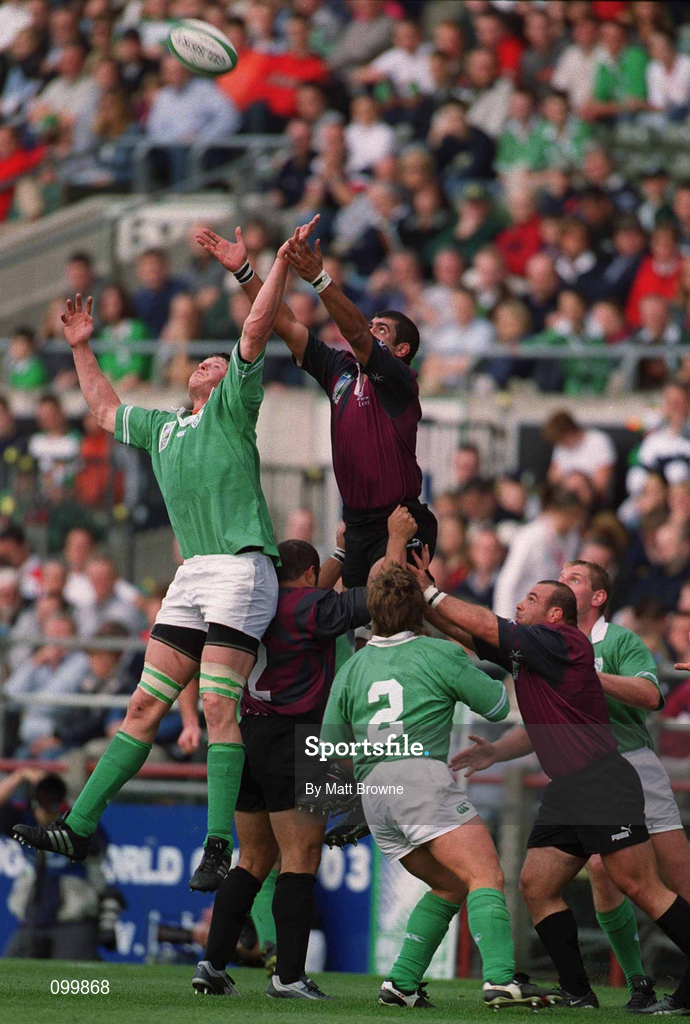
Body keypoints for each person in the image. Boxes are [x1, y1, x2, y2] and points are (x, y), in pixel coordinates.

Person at [13, 228, 301, 894]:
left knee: (222, 711)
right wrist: (82, 347)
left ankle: (219, 845)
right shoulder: (166, 427)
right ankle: (79, 827)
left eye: (221, 362)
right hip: (195, 573)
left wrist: (260, 268)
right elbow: (103, 407)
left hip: (239, 569)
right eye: (208, 362)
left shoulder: (233, 409)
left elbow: (256, 332)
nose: (214, 363)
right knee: (142, 710)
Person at [416, 561, 690, 1013]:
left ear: (556, 616)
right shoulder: (533, 649)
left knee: (637, 883)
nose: (520, 604)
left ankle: (640, 982)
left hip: (606, 780)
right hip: (569, 786)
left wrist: (430, 594)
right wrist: (422, 601)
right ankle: (579, 990)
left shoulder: (561, 641)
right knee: (536, 884)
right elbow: (473, 635)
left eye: (531, 600)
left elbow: (486, 624)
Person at [190, 507, 416, 1001]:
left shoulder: (256, 605)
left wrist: (337, 555)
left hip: (249, 735)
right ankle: (288, 975)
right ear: (311, 577)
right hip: (298, 741)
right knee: (301, 856)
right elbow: (384, 595)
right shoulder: (312, 609)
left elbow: (306, 587)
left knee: (253, 858)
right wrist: (396, 538)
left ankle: (211, 963)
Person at [319, 563, 554, 1011]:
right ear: (418, 610)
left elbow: (330, 748)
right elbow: (497, 705)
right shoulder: (437, 652)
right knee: (486, 875)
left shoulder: (353, 667)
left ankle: (402, 983)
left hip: (374, 794)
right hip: (418, 778)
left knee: (450, 884)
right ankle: (502, 981)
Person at [196, 218, 437, 590]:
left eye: (382, 330)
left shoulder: (399, 381)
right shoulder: (340, 370)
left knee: (386, 601)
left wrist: (320, 279)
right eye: (372, 325)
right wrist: (245, 273)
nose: (371, 331)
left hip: (400, 517)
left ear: (402, 350)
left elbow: (355, 331)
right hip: (356, 521)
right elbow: (285, 323)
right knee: (361, 627)